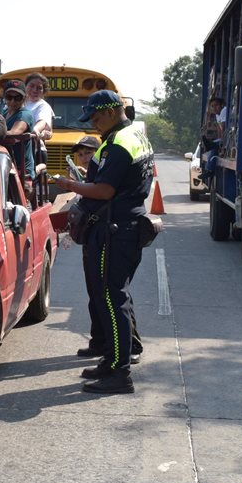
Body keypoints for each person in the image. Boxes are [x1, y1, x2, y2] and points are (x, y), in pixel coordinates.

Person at [52, 89, 154, 395]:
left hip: (115, 228)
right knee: (113, 296)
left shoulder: (119, 144)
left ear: (111, 112)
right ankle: (111, 361)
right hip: (124, 225)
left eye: (96, 117)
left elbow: (106, 190)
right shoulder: (131, 134)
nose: (93, 124)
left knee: (111, 299)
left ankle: (119, 373)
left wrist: (71, 185)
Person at [0, 79, 36, 197]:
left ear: (24, 99)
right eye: (9, 97)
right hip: (5, 163)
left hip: (21, 168)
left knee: (19, 200)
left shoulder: (25, 114)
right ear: (5, 97)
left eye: (17, 98)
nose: (12, 101)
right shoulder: (4, 114)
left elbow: (15, 132)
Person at [22, 72, 55, 167]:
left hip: (35, 152)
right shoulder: (18, 102)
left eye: (39, 88)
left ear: (43, 91)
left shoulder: (43, 106)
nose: (34, 90)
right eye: (31, 86)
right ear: (25, 87)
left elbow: (43, 122)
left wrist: (35, 130)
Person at [201, 96, 225, 179]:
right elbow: (219, 130)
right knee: (213, 147)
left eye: (216, 105)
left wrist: (222, 142)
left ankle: (209, 170)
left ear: (221, 105)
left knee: (213, 146)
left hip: (229, 137)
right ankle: (209, 170)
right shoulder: (217, 115)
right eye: (212, 106)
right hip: (224, 137)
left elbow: (224, 128)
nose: (214, 108)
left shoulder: (224, 111)